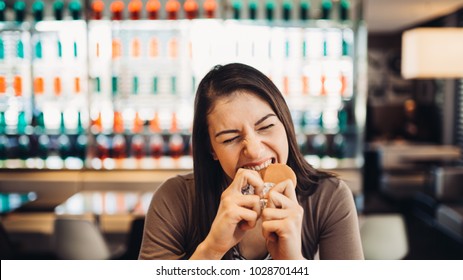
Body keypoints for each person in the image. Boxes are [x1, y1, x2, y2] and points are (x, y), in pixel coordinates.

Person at [139, 63, 364, 260]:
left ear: (285, 125)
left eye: (266, 127)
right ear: (211, 149)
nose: (254, 151)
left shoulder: (328, 197)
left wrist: (292, 261)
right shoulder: (175, 199)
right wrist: (212, 249)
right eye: (230, 138)